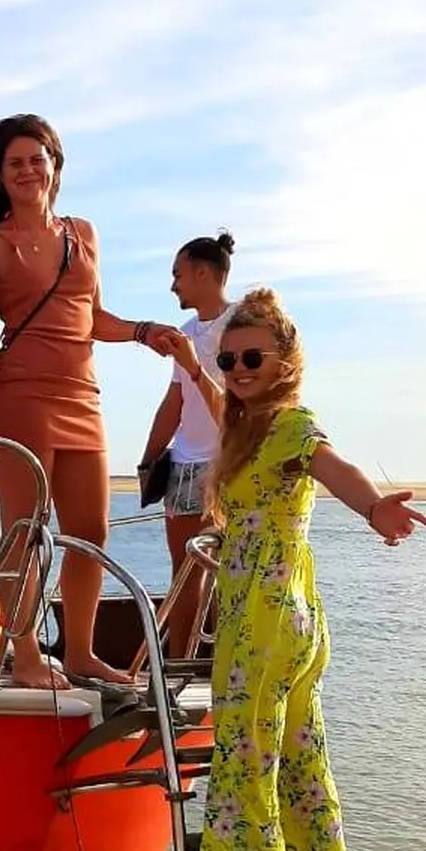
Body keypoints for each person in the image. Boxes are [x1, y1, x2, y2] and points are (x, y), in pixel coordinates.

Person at [164, 287, 426, 851]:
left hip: (264, 625)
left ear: (285, 362)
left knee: (251, 788)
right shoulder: (244, 425)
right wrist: (194, 362)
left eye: (254, 357)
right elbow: (222, 399)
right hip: (289, 617)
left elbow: (328, 463)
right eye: (230, 358)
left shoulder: (287, 425)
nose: (239, 368)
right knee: (304, 776)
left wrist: (375, 507)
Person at [0, 114, 180, 687]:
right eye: (16, 163)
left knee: (92, 530)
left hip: (82, 395)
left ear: (55, 166)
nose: (28, 169)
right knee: (26, 529)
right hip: (21, 396)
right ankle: (27, 654)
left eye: (38, 158)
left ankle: (79, 654)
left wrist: (143, 331)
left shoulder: (83, 233)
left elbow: (93, 317)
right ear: (1, 176)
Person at [137, 231, 237, 657]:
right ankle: (180, 665)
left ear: (202, 273)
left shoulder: (242, 326)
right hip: (183, 465)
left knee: (234, 571)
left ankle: (231, 663)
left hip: (228, 464)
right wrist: (148, 460)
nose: (174, 284)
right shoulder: (186, 331)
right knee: (184, 574)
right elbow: (174, 402)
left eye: (178, 274)